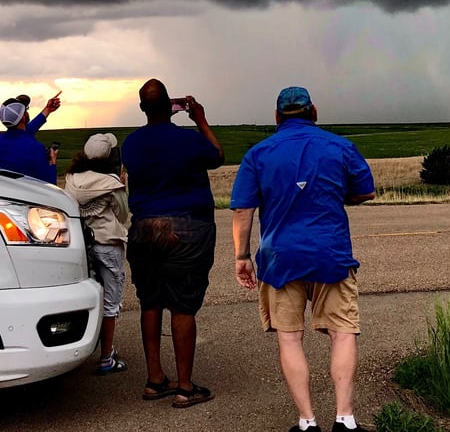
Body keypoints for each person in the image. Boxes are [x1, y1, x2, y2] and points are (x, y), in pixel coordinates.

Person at [231, 86, 376, 432]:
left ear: (277, 116)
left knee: (290, 337)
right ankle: (345, 419)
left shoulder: (258, 154)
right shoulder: (340, 146)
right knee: (343, 333)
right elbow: (365, 191)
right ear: (314, 111)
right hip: (331, 254)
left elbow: (242, 209)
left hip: (279, 259)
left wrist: (242, 255)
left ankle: (307, 422)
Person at [121, 79, 223, 408]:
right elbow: (217, 156)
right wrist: (200, 119)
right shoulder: (187, 139)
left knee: (150, 302)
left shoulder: (131, 144)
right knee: (182, 305)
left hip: (143, 227)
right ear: (170, 106)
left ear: (142, 109)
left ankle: (154, 379)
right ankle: (184, 386)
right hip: (186, 227)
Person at [65, 133, 130, 374]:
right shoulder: (111, 182)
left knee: (86, 296)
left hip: (82, 243)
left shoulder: (72, 178)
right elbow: (123, 215)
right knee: (111, 301)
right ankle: (106, 357)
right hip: (107, 243)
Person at [0, 91, 62, 182]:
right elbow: (50, 185)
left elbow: (25, 131)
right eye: (25, 110)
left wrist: (48, 109)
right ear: (23, 117)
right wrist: (52, 162)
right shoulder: (35, 148)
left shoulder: (3, 141)